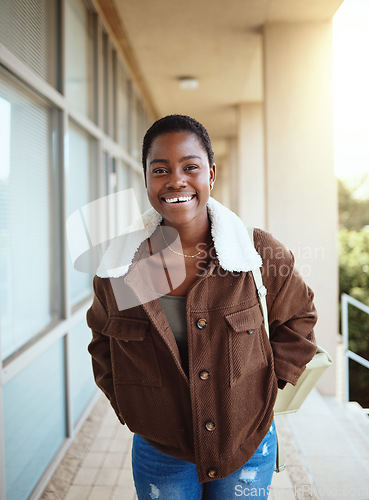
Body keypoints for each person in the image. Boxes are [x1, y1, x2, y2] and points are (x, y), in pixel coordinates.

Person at [87, 114, 318, 499]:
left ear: (210, 174)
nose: (176, 180)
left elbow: (300, 319)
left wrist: (260, 391)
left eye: (189, 167)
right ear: (146, 179)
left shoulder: (256, 253)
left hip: (245, 444)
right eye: (160, 169)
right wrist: (129, 404)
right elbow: (102, 341)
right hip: (161, 449)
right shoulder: (122, 266)